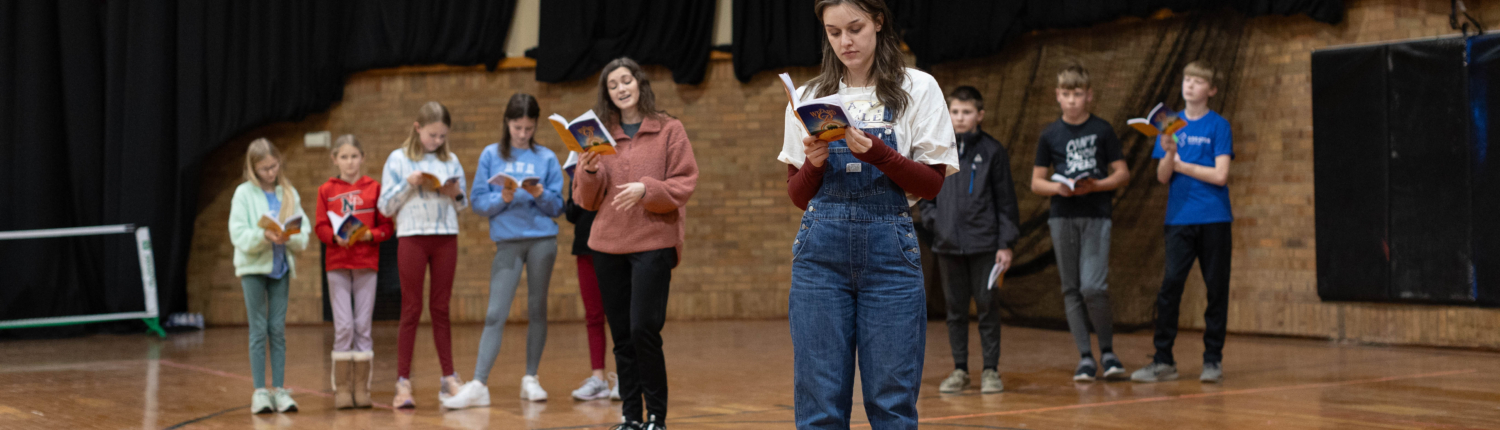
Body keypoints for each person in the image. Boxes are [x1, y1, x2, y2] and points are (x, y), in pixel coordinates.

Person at [779, 0, 957, 427]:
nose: (845, 41)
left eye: (855, 28)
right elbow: (798, 195)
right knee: (819, 406)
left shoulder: (918, 87)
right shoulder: (809, 96)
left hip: (890, 255)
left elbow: (931, 185)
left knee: (892, 403)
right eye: (834, 32)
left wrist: (879, 153)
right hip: (820, 259)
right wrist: (814, 165)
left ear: (878, 22)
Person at [574, 57, 699, 430]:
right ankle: (631, 417)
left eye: (626, 80)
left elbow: (684, 182)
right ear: (607, 94)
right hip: (606, 245)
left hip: (653, 242)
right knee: (622, 336)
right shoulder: (599, 135)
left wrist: (647, 189)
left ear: (639, 83)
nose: (621, 89)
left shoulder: (669, 129)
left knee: (644, 328)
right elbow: (586, 201)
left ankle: (656, 417)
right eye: (612, 85)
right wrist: (589, 170)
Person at [445, 93, 567, 408]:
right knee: (495, 312)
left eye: (529, 128)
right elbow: (478, 203)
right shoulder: (491, 155)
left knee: (537, 308)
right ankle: (479, 383)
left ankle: (531, 378)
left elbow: (558, 206)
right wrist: (503, 198)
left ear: (535, 125)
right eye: (517, 128)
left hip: (542, 240)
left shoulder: (546, 157)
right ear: (507, 123)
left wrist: (540, 194)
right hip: (508, 241)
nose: (523, 134)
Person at [1132, 61, 1235, 384]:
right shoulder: (1169, 123)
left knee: (1216, 289)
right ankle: (1164, 360)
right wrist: (1168, 154)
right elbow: (1163, 177)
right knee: (1170, 286)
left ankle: (1212, 359)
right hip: (1179, 219)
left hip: (1214, 217)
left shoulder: (1219, 125)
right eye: (1187, 79)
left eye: (1198, 81)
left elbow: (1220, 175)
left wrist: (1181, 164)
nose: (1189, 85)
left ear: (1211, 90)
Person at [1030, 64, 1131, 382]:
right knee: (1071, 288)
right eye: (1066, 94)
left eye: (1077, 93)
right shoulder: (1050, 134)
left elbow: (1122, 174)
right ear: (1057, 96)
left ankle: (1108, 353)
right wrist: (1058, 188)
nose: (1072, 100)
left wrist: (1097, 185)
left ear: (1089, 95)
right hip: (1062, 216)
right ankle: (1086, 358)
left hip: (1096, 214)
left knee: (1093, 287)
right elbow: (1036, 182)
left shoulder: (1102, 130)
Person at [918, 86, 1020, 395]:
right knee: (955, 310)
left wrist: (1005, 244)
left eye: (966, 112)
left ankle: (990, 371)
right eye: (955, 112)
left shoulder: (993, 151)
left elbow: (1006, 202)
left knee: (987, 307)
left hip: (985, 246)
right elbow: (926, 195)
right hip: (947, 246)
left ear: (980, 115)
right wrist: (938, 224)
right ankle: (960, 370)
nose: (960, 118)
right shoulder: (937, 149)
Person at [378, 101, 468, 408]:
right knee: (411, 308)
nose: (437, 141)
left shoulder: (451, 161)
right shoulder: (398, 159)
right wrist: (408, 184)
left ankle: (449, 377)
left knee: (440, 308)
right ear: (418, 129)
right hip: (412, 237)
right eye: (432, 135)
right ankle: (403, 382)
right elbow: (385, 207)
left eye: (442, 136)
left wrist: (455, 193)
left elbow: (463, 204)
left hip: (445, 237)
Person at [228, 138, 309, 414]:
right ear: (253, 169)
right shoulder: (243, 193)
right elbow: (238, 233)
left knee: (277, 329)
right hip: (253, 269)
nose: (271, 172)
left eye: (274, 166)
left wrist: (290, 237)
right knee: (258, 329)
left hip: (280, 269)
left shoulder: (289, 193)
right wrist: (263, 235)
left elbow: (303, 231)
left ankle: (279, 390)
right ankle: (260, 391)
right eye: (264, 169)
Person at [314, 135, 394, 409]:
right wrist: (334, 238)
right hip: (337, 264)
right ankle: (342, 390)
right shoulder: (326, 190)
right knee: (344, 326)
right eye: (344, 157)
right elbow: (320, 226)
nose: (350, 162)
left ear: (362, 157)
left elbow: (387, 227)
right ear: (335, 159)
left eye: (354, 156)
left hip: (366, 263)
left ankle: (362, 389)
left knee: (363, 326)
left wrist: (371, 234)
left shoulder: (374, 188)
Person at [563, 150, 621, 402]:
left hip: (615, 245)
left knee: (619, 314)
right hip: (585, 248)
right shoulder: (580, 161)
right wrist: (582, 181)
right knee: (594, 316)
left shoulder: (616, 158)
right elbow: (571, 214)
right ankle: (598, 379)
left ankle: (625, 376)